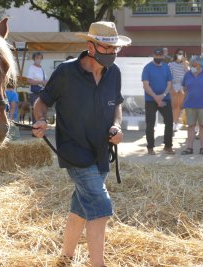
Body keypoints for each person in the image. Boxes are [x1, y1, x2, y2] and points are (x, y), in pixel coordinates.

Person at [32, 21, 131, 267]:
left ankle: (65, 258)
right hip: (74, 151)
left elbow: (116, 104)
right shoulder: (65, 72)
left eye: (115, 49)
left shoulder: (114, 73)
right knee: (100, 206)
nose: (112, 54)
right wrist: (41, 121)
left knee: (81, 208)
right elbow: (41, 103)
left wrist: (117, 127)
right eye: (107, 48)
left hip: (101, 152)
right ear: (91, 46)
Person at [142, 48, 175, 155]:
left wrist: (163, 95)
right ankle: (150, 148)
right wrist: (156, 97)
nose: (158, 58)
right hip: (150, 100)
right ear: (153, 55)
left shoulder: (166, 67)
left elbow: (169, 83)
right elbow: (146, 85)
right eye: (156, 56)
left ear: (163, 56)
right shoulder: (147, 68)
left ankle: (168, 146)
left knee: (169, 122)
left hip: (165, 98)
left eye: (160, 56)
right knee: (150, 124)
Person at [181, 56, 203, 156]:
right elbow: (185, 89)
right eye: (191, 65)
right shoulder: (187, 74)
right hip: (190, 104)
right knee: (190, 126)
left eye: (193, 65)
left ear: (199, 65)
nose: (191, 67)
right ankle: (189, 148)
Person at [168, 49, 189, 132]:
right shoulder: (171, 64)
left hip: (182, 86)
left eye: (182, 54)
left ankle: (176, 123)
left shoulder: (186, 64)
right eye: (179, 53)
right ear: (176, 54)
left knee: (179, 106)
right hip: (174, 85)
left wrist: (184, 62)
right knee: (174, 106)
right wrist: (171, 88)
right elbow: (169, 77)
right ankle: (174, 123)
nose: (180, 55)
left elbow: (188, 74)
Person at [26, 52, 48, 123]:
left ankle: (41, 131)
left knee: (43, 111)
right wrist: (40, 82)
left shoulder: (42, 68)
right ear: (33, 59)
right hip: (35, 93)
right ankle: (35, 130)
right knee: (36, 111)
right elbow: (29, 80)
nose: (39, 59)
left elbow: (45, 80)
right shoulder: (31, 68)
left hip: (42, 92)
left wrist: (46, 82)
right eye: (37, 58)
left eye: (40, 58)